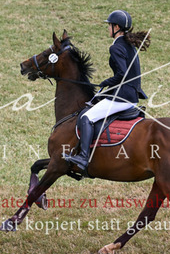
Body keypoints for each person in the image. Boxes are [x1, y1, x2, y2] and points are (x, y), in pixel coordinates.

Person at [64, 10, 150, 174]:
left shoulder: (116, 47)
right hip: (131, 95)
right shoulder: (129, 45)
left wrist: (105, 83)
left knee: (87, 117)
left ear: (116, 27)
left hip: (123, 97)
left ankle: (83, 158)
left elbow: (122, 74)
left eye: (109, 25)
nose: (108, 28)